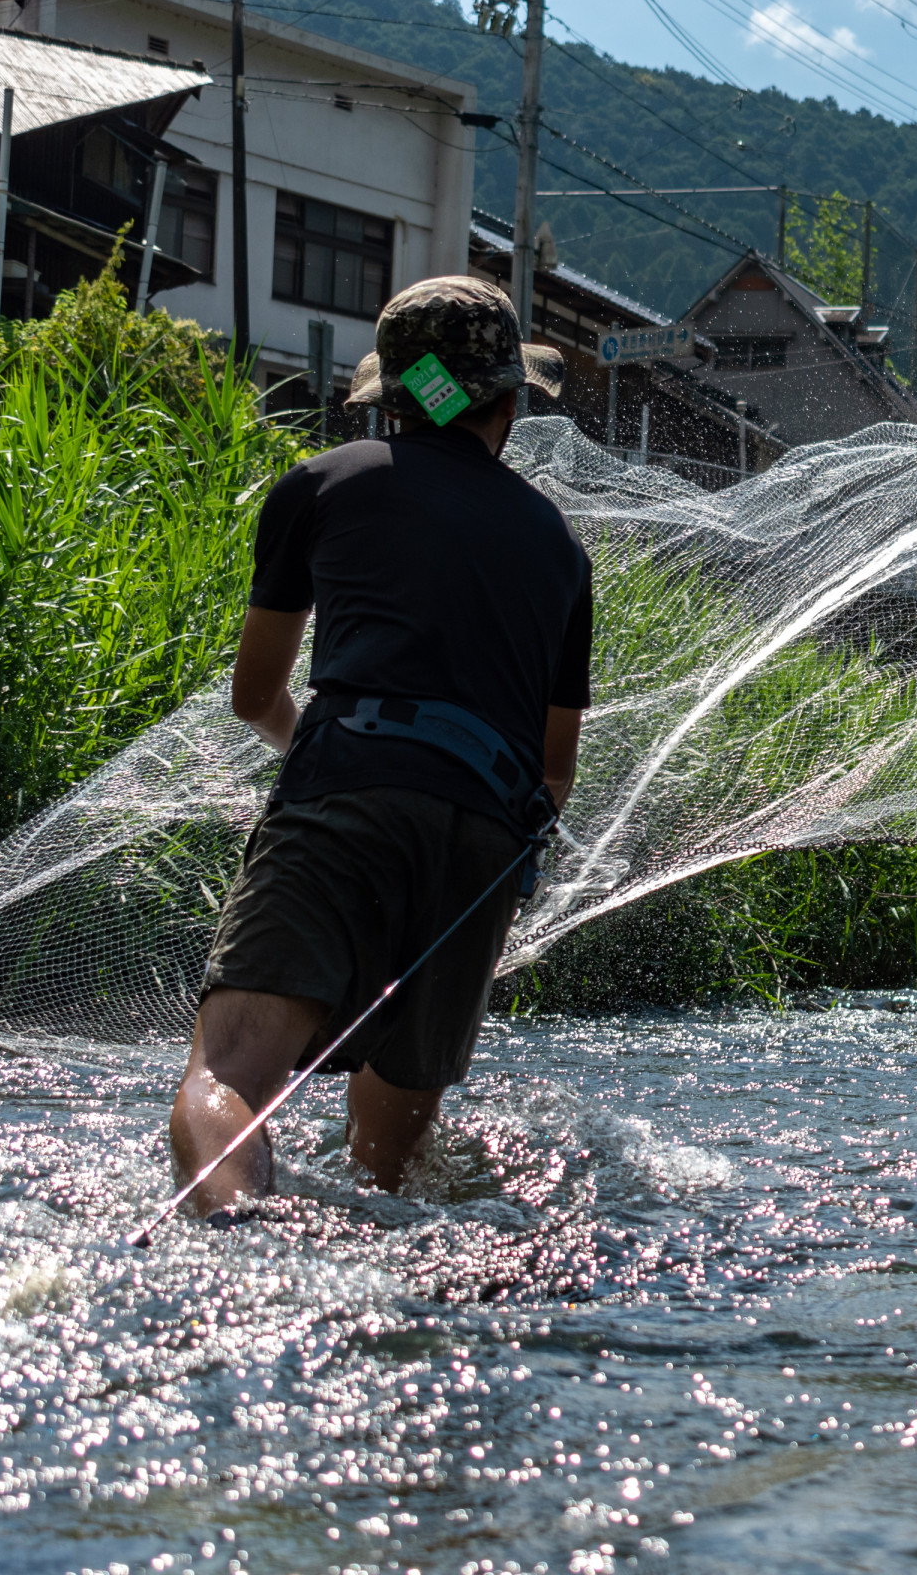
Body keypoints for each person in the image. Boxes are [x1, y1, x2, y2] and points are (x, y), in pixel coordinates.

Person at [167, 277, 593, 1219]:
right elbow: (554, 772)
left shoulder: (322, 484)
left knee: (232, 1073)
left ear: (389, 397)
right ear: (510, 404)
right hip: (486, 836)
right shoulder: (560, 545)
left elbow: (255, 695)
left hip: (345, 787)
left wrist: (323, 759)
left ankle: (242, 1252)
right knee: (392, 1151)